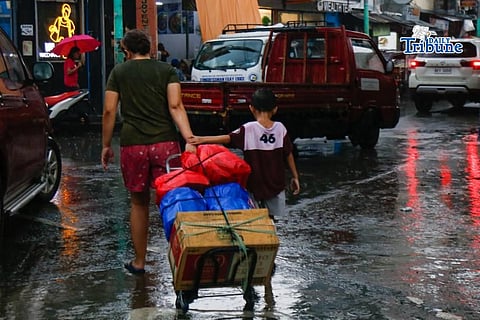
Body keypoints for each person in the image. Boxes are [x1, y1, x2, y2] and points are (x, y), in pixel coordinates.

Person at [101, 29, 196, 275]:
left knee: (138, 202)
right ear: (149, 49)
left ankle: (140, 262)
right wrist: (189, 138)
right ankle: (185, 258)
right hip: (165, 143)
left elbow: (110, 111)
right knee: (172, 200)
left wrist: (105, 145)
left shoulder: (119, 73)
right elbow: (176, 105)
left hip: (133, 145)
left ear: (127, 51)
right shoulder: (167, 71)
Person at [189, 88, 300, 219]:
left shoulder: (248, 128)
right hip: (276, 184)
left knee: (255, 217)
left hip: (254, 184)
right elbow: (288, 154)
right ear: (275, 109)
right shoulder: (281, 128)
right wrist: (295, 176)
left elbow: (227, 138)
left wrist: (200, 139)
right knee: (271, 219)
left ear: (251, 108)